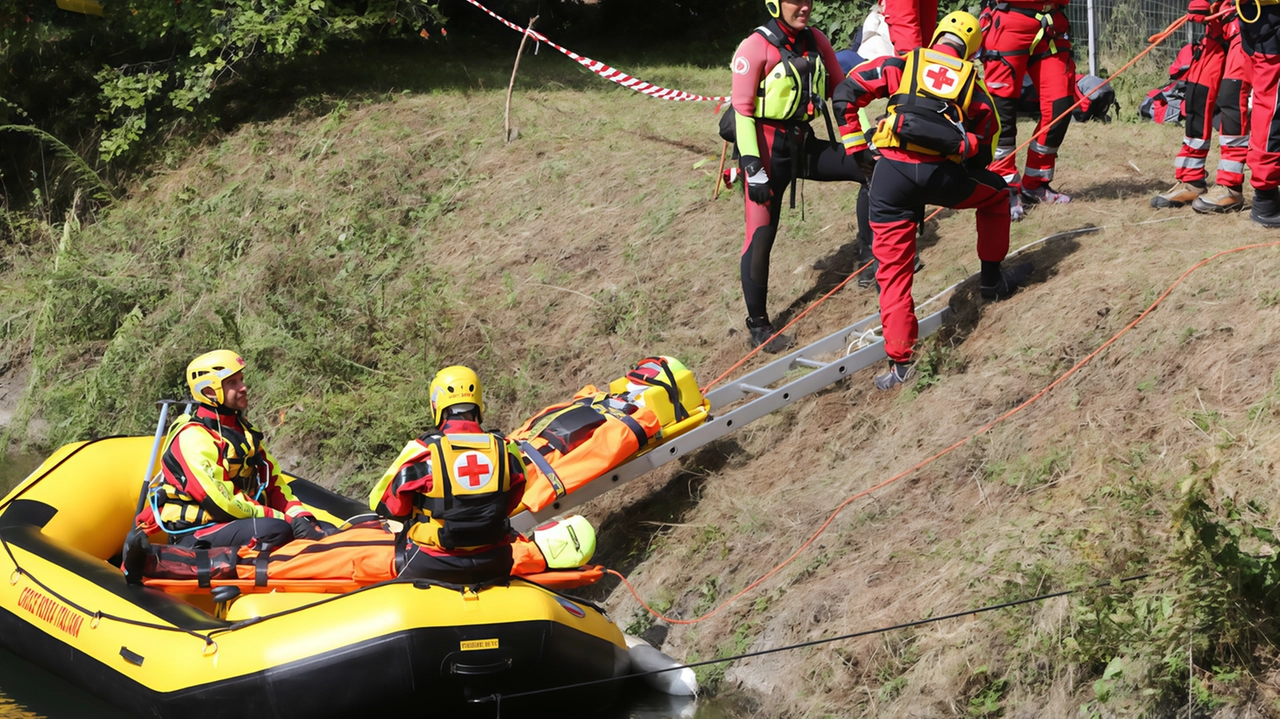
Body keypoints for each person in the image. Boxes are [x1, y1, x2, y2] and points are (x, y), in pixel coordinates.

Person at [835, 11, 1032, 390]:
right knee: (996, 196)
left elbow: (846, 92)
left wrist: (859, 151)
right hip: (942, 178)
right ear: (972, 51)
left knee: (893, 272)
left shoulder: (901, 64)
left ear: (937, 35)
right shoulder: (973, 84)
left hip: (889, 177)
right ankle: (991, 281)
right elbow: (986, 146)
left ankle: (899, 364)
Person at [730, 0, 873, 353]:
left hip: (801, 143)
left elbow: (844, 95)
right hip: (765, 152)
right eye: (796, 1)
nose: (805, 7)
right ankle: (759, 325)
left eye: (808, 0)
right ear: (775, 4)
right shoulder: (754, 46)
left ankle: (871, 259)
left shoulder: (817, 40)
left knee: (875, 169)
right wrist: (752, 167)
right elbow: (742, 112)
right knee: (761, 234)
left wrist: (864, 144)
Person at [136, 350, 327, 550]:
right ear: (209, 391)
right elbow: (221, 503)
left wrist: (300, 516)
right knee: (276, 529)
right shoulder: (193, 438)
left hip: (238, 522)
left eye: (241, 379)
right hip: (197, 532)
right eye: (232, 383)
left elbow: (273, 482)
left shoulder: (242, 430)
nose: (243, 387)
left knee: (323, 528)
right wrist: (284, 518)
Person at [370, 365, 527, 584]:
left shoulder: (424, 452)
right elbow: (511, 502)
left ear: (437, 406)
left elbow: (386, 505)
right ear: (478, 405)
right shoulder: (506, 449)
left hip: (433, 562)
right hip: (495, 561)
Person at [978, 0, 1075, 219]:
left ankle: (1036, 185)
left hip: (1051, 23)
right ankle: (1004, 187)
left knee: (1060, 105)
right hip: (1009, 20)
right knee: (1002, 111)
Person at [1151, 1, 1241, 209]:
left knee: (1232, 102)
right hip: (1219, 24)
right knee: (1196, 97)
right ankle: (1192, 182)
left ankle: (1232, 189)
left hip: (1249, 25)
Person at [1232, 1, 1280, 227]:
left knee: (1268, 105)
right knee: (1272, 109)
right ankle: (1266, 201)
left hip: (1259, 18)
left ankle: (1267, 196)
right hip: (1268, 19)